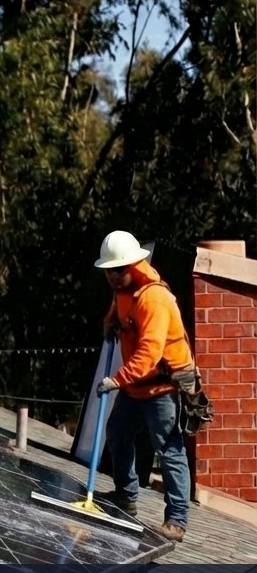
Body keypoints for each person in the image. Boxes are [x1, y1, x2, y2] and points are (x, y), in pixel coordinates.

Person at [93, 230, 194, 542]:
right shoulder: (123, 288)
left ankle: (176, 520)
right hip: (137, 386)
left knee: (169, 449)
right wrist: (109, 321)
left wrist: (116, 380)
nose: (110, 276)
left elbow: (149, 354)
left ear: (131, 266)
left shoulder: (154, 299)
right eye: (108, 270)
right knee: (119, 433)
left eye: (116, 270)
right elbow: (118, 310)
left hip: (161, 387)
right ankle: (126, 496)